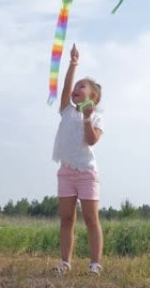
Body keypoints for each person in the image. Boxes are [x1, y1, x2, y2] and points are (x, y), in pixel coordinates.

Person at [52, 44, 105, 276]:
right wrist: (73, 64)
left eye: (81, 87)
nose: (75, 88)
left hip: (86, 173)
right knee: (66, 219)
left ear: (93, 96)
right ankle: (65, 262)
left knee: (92, 220)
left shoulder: (97, 117)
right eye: (75, 86)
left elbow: (91, 141)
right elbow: (64, 87)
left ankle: (95, 264)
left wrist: (86, 118)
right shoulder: (66, 109)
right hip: (66, 172)